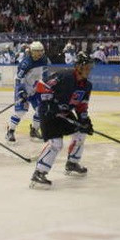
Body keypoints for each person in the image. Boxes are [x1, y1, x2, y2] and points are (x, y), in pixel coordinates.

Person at [29, 52, 94, 189]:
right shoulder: (64, 76)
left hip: (64, 113)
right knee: (56, 144)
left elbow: (82, 105)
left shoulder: (87, 85)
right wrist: (49, 105)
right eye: (86, 67)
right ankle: (39, 172)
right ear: (78, 67)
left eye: (90, 67)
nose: (89, 70)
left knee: (81, 132)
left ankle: (72, 163)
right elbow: (42, 86)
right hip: (49, 112)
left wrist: (85, 120)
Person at [6, 41, 51, 143]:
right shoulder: (25, 63)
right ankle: (10, 131)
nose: (39, 53)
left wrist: (46, 84)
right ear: (31, 52)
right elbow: (18, 79)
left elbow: (44, 74)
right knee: (20, 112)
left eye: (41, 51)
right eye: (37, 51)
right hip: (23, 88)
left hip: (35, 88)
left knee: (41, 110)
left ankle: (34, 130)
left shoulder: (44, 59)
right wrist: (21, 92)